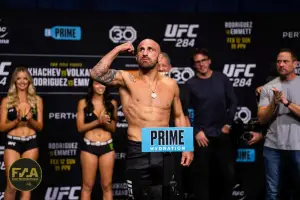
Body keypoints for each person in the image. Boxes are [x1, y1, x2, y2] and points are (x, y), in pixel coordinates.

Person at [90, 39, 193, 200]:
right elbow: (96, 73)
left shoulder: (171, 84)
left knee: (165, 196)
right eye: (141, 50)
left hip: (164, 148)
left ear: (159, 57)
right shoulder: (126, 78)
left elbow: (179, 116)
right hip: (137, 148)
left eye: (150, 49)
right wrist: (119, 48)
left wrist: (187, 147)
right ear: (136, 56)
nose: (145, 52)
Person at [185, 48, 237, 200]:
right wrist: (196, 132)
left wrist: (228, 124)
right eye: (197, 62)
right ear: (194, 66)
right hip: (202, 139)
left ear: (209, 61)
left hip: (222, 136)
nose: (201, 65)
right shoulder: (190, 84)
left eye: (203, 60)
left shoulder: (222, 79)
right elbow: (185, 112)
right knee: (202, 181)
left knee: (225, 178)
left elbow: (233, 102)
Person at [258, 48, 300, 200]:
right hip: (273, 147)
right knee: (272, 193)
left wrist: (286, 102)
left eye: (285, 61)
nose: (281, 65)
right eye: (278, 61)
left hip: (298, 146)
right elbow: (262, 119)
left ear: (295, 64)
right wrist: (274, 104)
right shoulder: (269, 87)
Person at [0, 67, 43, 200]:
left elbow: (40, 126)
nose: (22, 81)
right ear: (14, 81)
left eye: (25, 78)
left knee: (26, 185)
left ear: (29, 81)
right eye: (19, 78)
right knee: (12, 185)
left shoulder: (37, 100)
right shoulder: (7, 101)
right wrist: (16, 121)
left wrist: (30, 119)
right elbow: (2, 127)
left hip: (31, 143)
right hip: (13, 142)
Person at [76, 78, 118, 200]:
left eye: (103, 83)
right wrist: (98, 121)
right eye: (97, 83)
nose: (100, 86)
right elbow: (80, 128)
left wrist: (105, 123)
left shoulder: (112, 103)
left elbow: (113, 128)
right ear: (92, 85)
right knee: (87, 186)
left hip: (107, 146)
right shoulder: (83, 103)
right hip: (89, 147)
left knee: (107, 186)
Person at [157, 52, 191, 200]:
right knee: (153, 186)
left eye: (163, 66)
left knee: (173, 184)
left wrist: (188, 147)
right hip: (150, 138)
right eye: (157, 66)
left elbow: (184, 118)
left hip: (173, 138)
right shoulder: (142, 89)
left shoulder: (179, 90)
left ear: (170, 68)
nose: (160, 69)